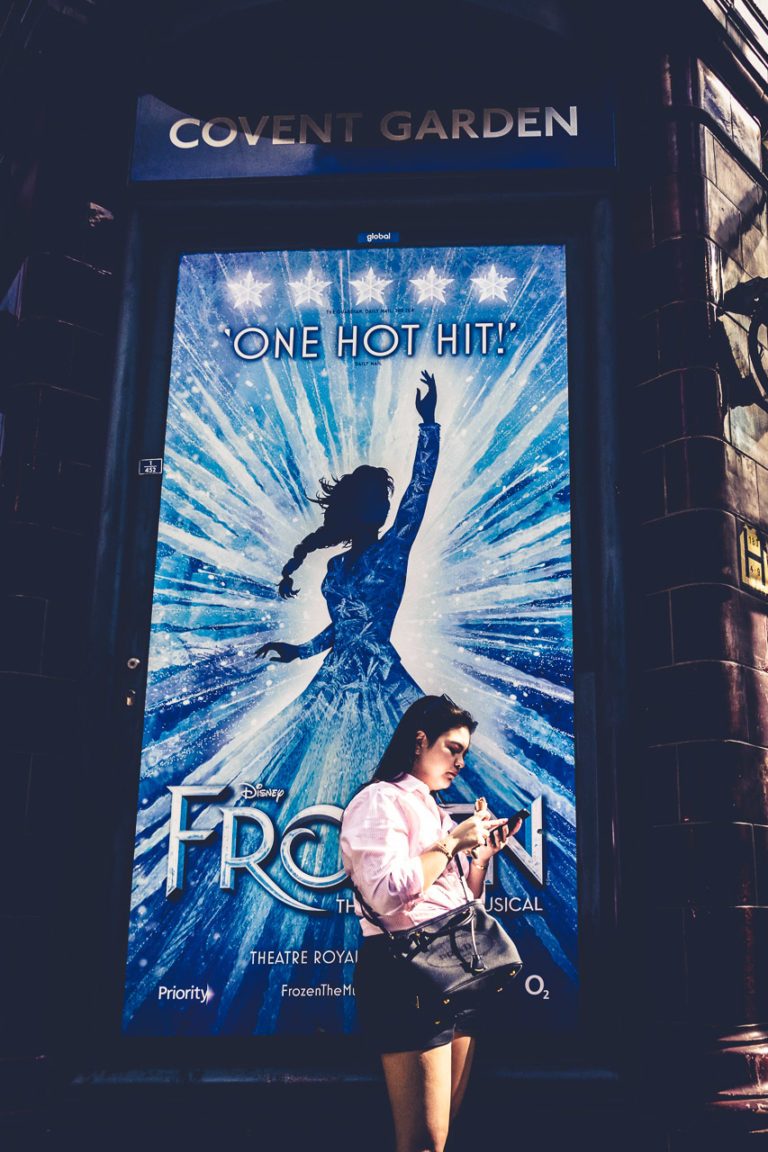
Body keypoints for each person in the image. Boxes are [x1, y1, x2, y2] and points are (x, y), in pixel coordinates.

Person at [340, 694, 521, 1152]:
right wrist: (450, 843)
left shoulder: (430, 807)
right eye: (452, 748)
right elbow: (385, 894)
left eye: (465, 753)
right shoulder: (380, 799)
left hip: (453, 968)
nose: (460, 762)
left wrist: (477, 858)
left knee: (444, 1128)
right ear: (419, 742)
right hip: (408, 975)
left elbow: (454, 900)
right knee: (424, 1141)